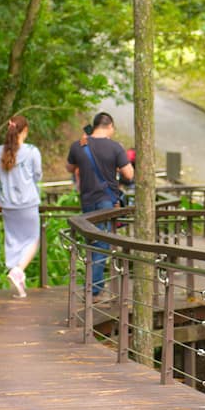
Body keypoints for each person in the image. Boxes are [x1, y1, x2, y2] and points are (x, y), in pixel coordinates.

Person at [66, 112, 134, 298]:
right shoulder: (115, 147)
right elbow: (129, 174)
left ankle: (92, 284)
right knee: (103, 243)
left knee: (92, 241)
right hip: (107, 200)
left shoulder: (79, 146)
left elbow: (69, 168)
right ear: (110, 126)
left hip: (86, 200)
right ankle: (94, 289)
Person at [0, 115, 42, 298]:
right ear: (25, 130)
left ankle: (19, 284)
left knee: (13, 241)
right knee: (33, 239)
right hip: (28, 203)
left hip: (7, 204)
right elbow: (37, 176)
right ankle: (18, 270)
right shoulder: (32, 151)